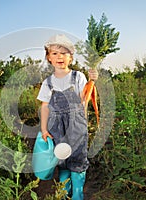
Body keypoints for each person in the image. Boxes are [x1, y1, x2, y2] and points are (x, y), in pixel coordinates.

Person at [36, 34, 98, 200]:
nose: (59, 57)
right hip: (56, 127)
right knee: (62, 159)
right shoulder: (48, 82)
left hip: (76, 125)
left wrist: (92, 82)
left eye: (64, 53)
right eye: (55, 53)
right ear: (49, 58)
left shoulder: (78, 77)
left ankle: (77, 194)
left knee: (77, 158)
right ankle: (64, 192)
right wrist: (43, 130)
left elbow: (83, 101)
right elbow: (44, 106)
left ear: (71, 57)